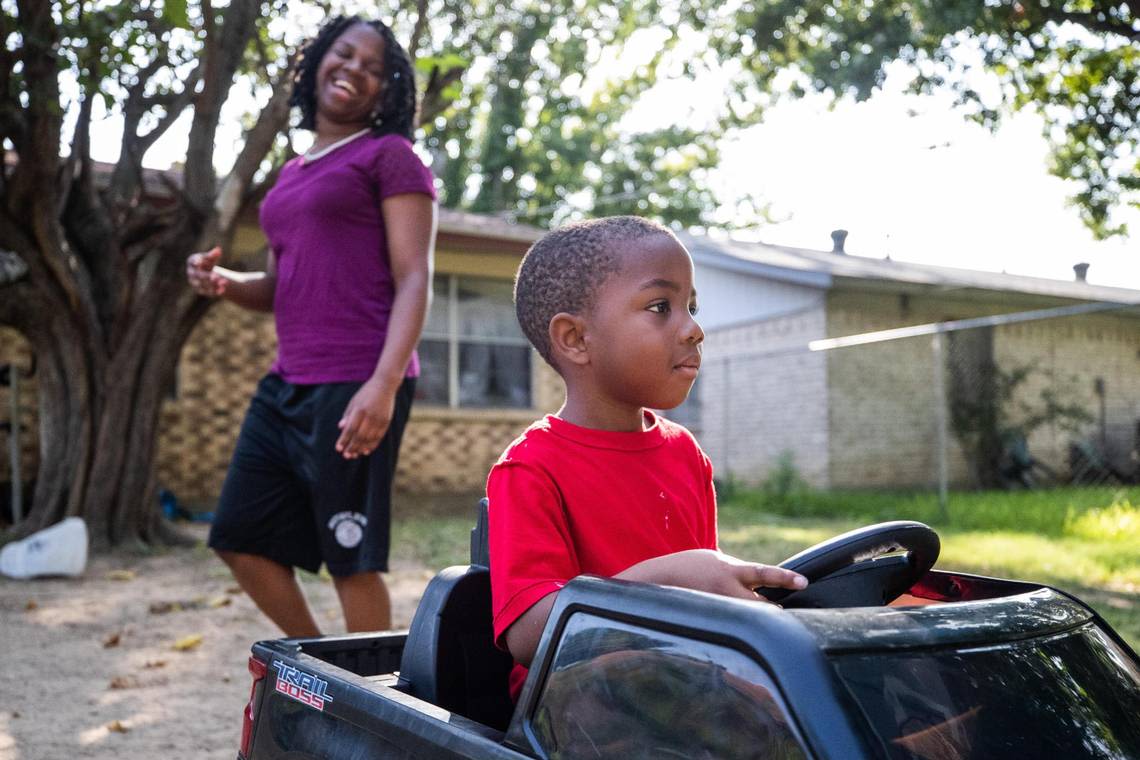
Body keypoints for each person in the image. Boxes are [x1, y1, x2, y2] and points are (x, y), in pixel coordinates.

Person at [185, 16, 437, 636]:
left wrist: (382, 385)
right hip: (288, 381)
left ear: (388, 91)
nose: (355, 70)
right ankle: (322, 662)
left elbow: (414, 278)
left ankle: (377, 701)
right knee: (238, 537)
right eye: (344, 55)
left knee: (349, 557)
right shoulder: (293, 175)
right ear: (317, 61)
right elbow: (279, 286)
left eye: (374, 68)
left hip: (358, 377)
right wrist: (225, 284)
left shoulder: (390, 157)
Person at [486, 216, 808, 697]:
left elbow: (705, 604)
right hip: (576, 706)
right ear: (576, 339)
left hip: (684, 684)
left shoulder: (685, 454)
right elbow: (530, 635)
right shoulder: (531, 468)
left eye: (691, 307)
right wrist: (671, 578)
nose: (694, 329)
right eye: (661, 307)